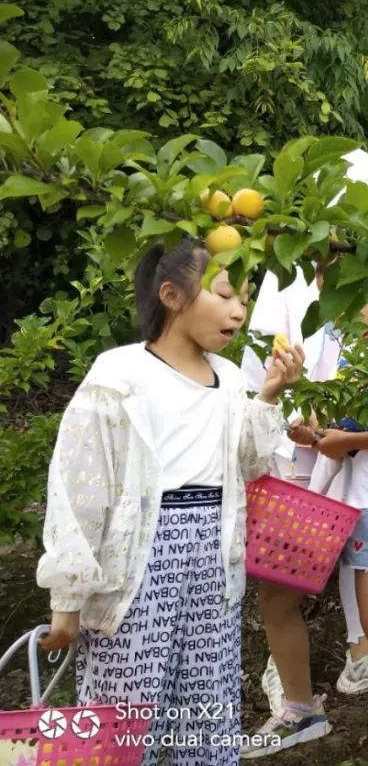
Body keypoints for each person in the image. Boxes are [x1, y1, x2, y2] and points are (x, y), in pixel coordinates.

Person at [36, 238, 304, 766]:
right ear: (172, 296)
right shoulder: (118, 375)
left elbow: (247, 465)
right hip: (139, 558)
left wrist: (269, 394)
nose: (239, 311)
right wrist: (66, 601)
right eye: (226, 294)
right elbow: (79, 491)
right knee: (126, 704)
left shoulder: (229, 380)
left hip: (213, 554)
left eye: (244, 300)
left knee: (206, 697)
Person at [242, 301, 368, 765]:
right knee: (276, 597)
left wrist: (347, 442)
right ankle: (300, 709)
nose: (338, 305)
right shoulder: (352, 346)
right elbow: (343, 427)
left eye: (349, 292)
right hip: (326, 498)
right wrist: (312, 435)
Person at [243, 149, 368, 713]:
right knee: (290, 548)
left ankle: (360, 650)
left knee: (359, 539)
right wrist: (283, 412)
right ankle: (283, 667)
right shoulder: (292, 265)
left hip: (358, 434)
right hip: (301, 434)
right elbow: (263, 346)